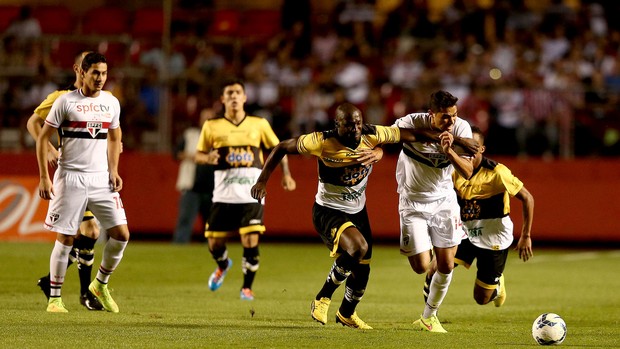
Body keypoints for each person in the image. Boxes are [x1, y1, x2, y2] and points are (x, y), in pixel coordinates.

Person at [251, 103, 478, 329]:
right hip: (329, 209)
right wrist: (262, 179)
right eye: (349, 125)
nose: (355, 129)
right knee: (357, 248)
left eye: (358, 123)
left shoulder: (372, 134)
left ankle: (346, 314)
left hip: (358, 211)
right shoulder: (321, 141)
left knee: (363, 270)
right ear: (337, 125)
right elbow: (282, 146)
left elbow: (413, 134)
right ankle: (322, 297)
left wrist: (456, 141)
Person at [36, 52, 129, 313]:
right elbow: (42, 137)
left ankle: (100, 285)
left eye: (104, 73)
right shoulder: (65, 101)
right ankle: (55, 299)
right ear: (83, 73)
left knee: (121, 235)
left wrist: (114, 170)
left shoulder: (111, 103)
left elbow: (114, 137)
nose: (100, 78)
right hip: (70, 178)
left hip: (101, 179)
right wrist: (44, 176)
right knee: (65, 237)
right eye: (95, 73)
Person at [195, 78, 296, 301]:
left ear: (244, 97)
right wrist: (207, 157)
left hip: (251, 192)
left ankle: (246, 288)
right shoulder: (212, 125)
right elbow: (198, 154)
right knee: (214, 243)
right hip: (223, 193)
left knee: (250, 240)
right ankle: (223, 265)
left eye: (237, 92)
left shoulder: (258, 124)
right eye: (229, 93)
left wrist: (286, 175)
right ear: (223, 99)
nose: (233, 96)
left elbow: (279, 148)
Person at [423, 126, 534, 307]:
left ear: (482, 149)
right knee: (435, 268)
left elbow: (528, 198)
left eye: (474, 148)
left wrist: (526, 235)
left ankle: (497, 287)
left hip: (494, 237)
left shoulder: (497, 173)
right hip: (465, 233)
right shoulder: (452, 171)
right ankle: (428, 316)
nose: (468, 152)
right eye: (465, 147)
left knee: (481, 299)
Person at [26, 50, 103, 311]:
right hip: (71, 174)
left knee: (90, 232)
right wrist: (49, 149)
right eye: (88, 67)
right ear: (78, 69)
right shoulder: (60, 98)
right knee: (82, 233)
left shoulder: (101, 100)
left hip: (93, 175)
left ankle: (57, 284)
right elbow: (33, 124)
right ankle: (81, 292)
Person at [394, 90, 475, 333]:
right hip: (413, 202)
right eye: (445, 117)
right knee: (421, 266)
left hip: (444, 201)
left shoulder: (461, 128)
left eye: (454, 116)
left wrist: (449, 151)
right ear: (431, 115)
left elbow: (468, 172)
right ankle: (428, 249)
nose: (451, 122)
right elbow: (387, 137)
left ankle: (429, 316)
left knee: (447, 265)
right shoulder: (410, 122)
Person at [173, 107, 215, 243]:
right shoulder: (190, 135)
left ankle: (212, 252)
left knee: (212, 225)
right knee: (185, 220)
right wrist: (195, 156)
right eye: (205, 118)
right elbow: (176, 153)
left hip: (213, 188)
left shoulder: (221, 138)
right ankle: (179, 250)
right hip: (191, 186)